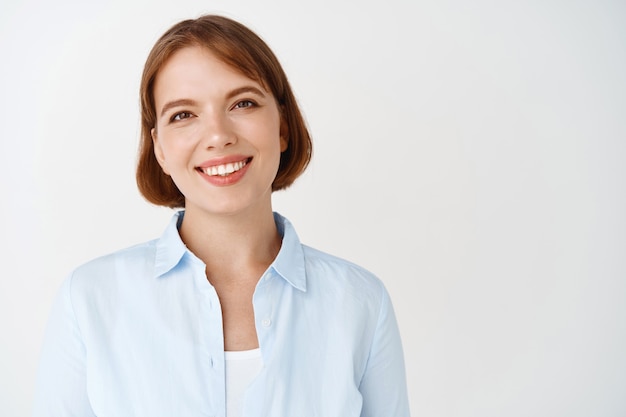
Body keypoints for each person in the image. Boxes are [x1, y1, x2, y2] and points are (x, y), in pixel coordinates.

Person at [33, 15, 410, 417]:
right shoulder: (89, 300)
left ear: (282, 125)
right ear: (159, 147)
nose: (218, 135)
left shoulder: (360, 303)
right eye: (183, 115)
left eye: (242, 103)